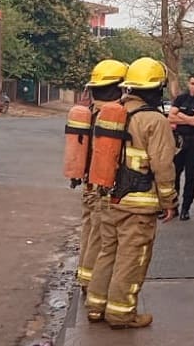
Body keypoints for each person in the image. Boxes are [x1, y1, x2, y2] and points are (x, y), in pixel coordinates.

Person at [85, 57, 178, 330]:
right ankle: (121, 314)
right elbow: (163, 165)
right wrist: (169, 201)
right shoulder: (154, 120)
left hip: (108, 199)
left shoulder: (110, 112)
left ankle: (95, 307)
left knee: (107, 253)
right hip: (138, 206)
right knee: (132, 259)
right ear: (154, 89)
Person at [75, 59, 128, 291]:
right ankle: (91, 282)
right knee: (100, 236)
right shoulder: (114, 116)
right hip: (103, 187)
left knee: (89, 230)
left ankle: (84, 276)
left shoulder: (88, 113)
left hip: (88, 184)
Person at [168, 72, 194, 221]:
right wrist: (189, 118)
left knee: (191, 177)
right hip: (179, 143)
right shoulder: (180, 98)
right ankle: (172, 207)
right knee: (174, 176)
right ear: (188, 84)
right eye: (192, 84)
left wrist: (180, 115)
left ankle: (186, 208)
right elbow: (170, 118)